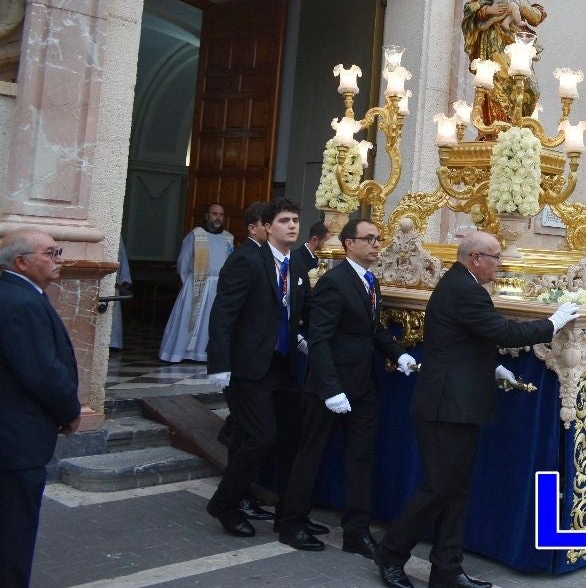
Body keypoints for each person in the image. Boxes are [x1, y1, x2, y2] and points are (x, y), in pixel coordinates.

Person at [374, 231, 579, 588]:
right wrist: (553, 323)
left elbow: (467, 341)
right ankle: (391, 553)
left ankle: (447, 570)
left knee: (456, 490)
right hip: (445, 407)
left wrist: (491, 367)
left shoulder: (463, 286)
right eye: (496, 257)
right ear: (475, 258)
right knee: (438, 488)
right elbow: (503, 332)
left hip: (459, 403)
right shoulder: (465, 290)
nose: (500, 264)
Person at [278, 219, 414, 556]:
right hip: (330, 386)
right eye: (369, 239)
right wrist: (330, 389)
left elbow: (371, 331)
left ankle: (356, 532)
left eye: (378, 239)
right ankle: (291, 523)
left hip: (363, 385)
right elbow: (320, 339)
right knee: (310, 455)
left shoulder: (370, 281)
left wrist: (399, 355)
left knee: (361, 458)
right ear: (348, 244)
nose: (376, 244)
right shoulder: (333, 282)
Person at [205, 198, 312, 538]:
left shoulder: (294, 265)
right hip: (248, 367)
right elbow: (224, 313)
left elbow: (289, 311)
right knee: (260, 437)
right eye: (284, 220)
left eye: (295, 219)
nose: (292, 226)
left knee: (293, 437)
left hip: (281, 364)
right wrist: (220, 363)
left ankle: (290, 515)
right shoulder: (246, 260)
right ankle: (225, 502)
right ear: (267, 226)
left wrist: (297, 338)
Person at [0, 229, 80, 588]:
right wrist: (69, 410)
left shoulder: (20, 295)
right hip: (17, 437)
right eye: (50, 252)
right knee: (13, 532)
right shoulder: (21, 302)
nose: (58, 259)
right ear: (22, 261)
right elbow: (42, 371)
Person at [461, 0, 547, 126]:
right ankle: (497, 128)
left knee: (530, 88)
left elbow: (536, 18)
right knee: (500, 82)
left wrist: (517, 1)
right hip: (496, 41)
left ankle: (517, 127)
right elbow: (471, 7)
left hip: (517, 45)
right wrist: (489, 9)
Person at [159, 202, 235, 362]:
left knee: (212, 320)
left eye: (221, 215)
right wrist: (191, 284)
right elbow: (183, 263)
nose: (218, 218)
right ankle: (180, 353)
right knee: (188, 319)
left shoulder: (228, 238)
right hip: (195, 284)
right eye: (214, 214)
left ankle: (203, 354)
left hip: (218, 287)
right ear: (207, 216)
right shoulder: (195, 235)